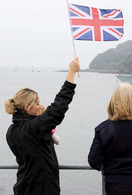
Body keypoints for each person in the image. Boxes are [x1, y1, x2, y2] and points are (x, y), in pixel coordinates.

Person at [4, 57, 80, 195]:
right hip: (42, 188)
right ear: (27, 107)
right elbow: (57, 109)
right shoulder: (33, 128)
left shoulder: (11, 131)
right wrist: (71, 73)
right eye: (38, 103)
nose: (40, 107)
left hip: (23, 186)